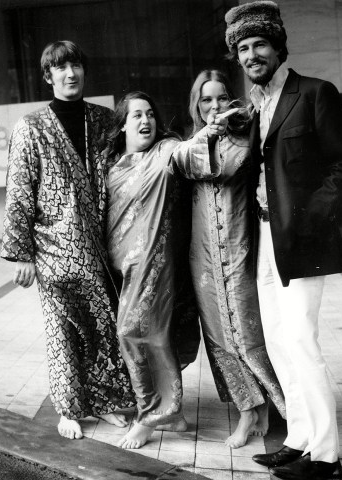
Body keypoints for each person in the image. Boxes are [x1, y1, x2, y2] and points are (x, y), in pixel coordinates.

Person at [224, 2, 342, 479]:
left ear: (279, 47)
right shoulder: (253, 107)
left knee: (301, 341)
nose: (251, 54)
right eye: (242, 48)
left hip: (300, 240)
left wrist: (305, 221)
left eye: (259, 44)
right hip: (261, 237)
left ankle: (325, 458)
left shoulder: (315, 93)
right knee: (279, 342)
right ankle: (299, 438)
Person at [1, 40, 135, 440]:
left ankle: (108, 401)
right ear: (48, 76)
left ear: (83, 71)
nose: (70, 73)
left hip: (100, 246)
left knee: (104, 326)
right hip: (53, 249)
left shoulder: (105, 120)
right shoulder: (31, 127)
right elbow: (19, 191)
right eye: (60, 68)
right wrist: (21, 254)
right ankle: (69, 409)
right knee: (62, 330)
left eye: (75, 65)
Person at [105, 91, 227, 449]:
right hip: (123, 268)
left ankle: (152, 416)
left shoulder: (167, 149)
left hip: (155, 264)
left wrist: (210, 131)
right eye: (136, 116)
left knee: (133, 330)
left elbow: (190, 151)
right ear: (123, 125)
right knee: (148, 333)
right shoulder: (113, 166)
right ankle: (173, 415)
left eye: (150, 114)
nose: (146, 121)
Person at [188, 69, 285, 448]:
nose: (214, 106)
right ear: (196, 104)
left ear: (231, 99)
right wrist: (202, 139)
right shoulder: (189, 143)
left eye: (220, 97)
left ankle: (279, 405)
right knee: (218, 336)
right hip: (203, 257)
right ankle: (248, 409)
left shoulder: (246, 136)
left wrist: (231, 130)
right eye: (206, 99)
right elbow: (180, 165)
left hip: (241, 247)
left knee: (248, 331)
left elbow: (238, 168)